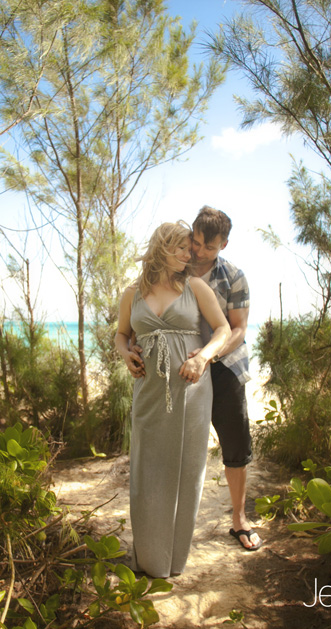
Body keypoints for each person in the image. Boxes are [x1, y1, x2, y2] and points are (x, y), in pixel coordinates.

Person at [126, 206, 263, 551]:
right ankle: (160, 534)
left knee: (235, 444)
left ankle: (239, 519)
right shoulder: (177, 265)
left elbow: (237, 329)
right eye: (195, 243)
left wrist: (206, 357)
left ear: (223, 245)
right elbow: (145, 315)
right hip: (175, 372)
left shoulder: (233, 276)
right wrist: (132, 345)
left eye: (207, 247)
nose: (198, 252)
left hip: (223, 365)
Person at [115, 221, 231, 578]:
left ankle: (174, 559)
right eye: (180, 247)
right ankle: (150, 560)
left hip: (191, 391)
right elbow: (121, 334)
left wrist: (203, 357)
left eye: (188, 248)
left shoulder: (194, 286)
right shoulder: (132, 293)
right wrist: (125, 354)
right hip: (148, 393)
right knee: (147, 472)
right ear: (161, 247)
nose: (188, 254)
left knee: (186, 471)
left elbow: (224, 329)